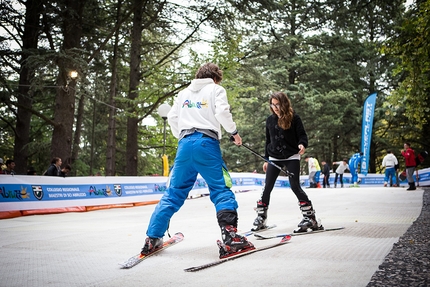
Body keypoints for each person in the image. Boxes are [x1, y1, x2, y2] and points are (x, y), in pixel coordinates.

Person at [141, 63, 254, 259]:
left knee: (173, 193)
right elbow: (222, 112)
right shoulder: (216, 89)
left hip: (184, 145)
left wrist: (184, 137)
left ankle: (152, 238)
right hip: (206, 144)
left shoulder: (183, 93)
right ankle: (230, 237)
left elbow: (173, 117)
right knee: (220, 188)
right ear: (215, 77)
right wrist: (233, 132)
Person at [252, 91, 323, 233]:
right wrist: (267, 159)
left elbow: (302, 135)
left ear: (283, 103)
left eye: (277, 104)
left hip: (291, 156)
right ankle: (261, 217)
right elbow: (268, 140)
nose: (275, 107)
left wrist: (302, 144)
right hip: (274, 157)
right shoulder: (270, 120)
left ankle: (311, 218)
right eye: (272, 105)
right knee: (267, 187)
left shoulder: (294, 118)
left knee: (295, 185)